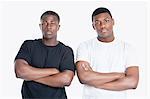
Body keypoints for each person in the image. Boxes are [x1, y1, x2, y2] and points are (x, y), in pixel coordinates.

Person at [76, 7, 139, 99]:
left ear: (113, 22)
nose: (103, 26)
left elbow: (132, 82)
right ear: (93, 26)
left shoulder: (128, 48)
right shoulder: (85, 46)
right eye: (97, 22)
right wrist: (119, 75)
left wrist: (96, 83)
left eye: (106, 20)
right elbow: (84, 77)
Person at [14, 10, 75, 99]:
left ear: (58, 27)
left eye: (52, 23)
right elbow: (20, 71)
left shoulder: (66, 51)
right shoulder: (29, 45)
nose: (48, 26)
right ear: (40, 26)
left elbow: (66, 80)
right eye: (45, 23)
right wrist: (52, 71)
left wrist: (30, 76)